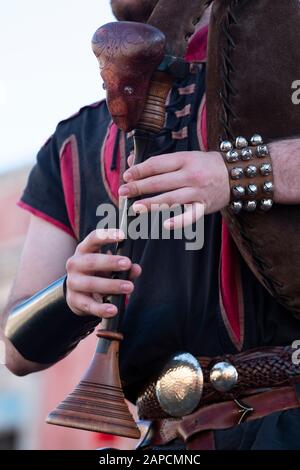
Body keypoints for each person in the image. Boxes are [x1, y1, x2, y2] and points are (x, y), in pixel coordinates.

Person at [2, 1, 300, 450]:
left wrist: (238, 173)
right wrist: (69, 295)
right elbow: (16, 353)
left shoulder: (283, 72)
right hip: (166, 441)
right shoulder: (71, 143)